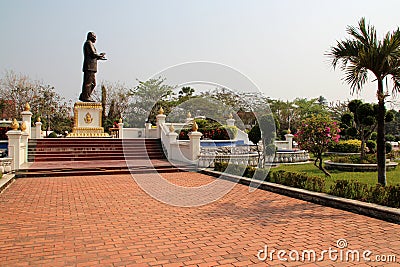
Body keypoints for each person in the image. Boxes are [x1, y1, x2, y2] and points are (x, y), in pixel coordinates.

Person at [79, 32, 106, 102]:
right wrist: (99, 56)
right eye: (94, 37)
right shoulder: (88, 43)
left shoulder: (90, 44)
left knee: (93, 83)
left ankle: (84, 95)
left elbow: (93, 56)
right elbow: (93, 54)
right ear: (90, 37)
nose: (95, 38)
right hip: (89, 67)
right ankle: (85, 97)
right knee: (88, 83)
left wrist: (99, 57)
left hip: (92, 67)